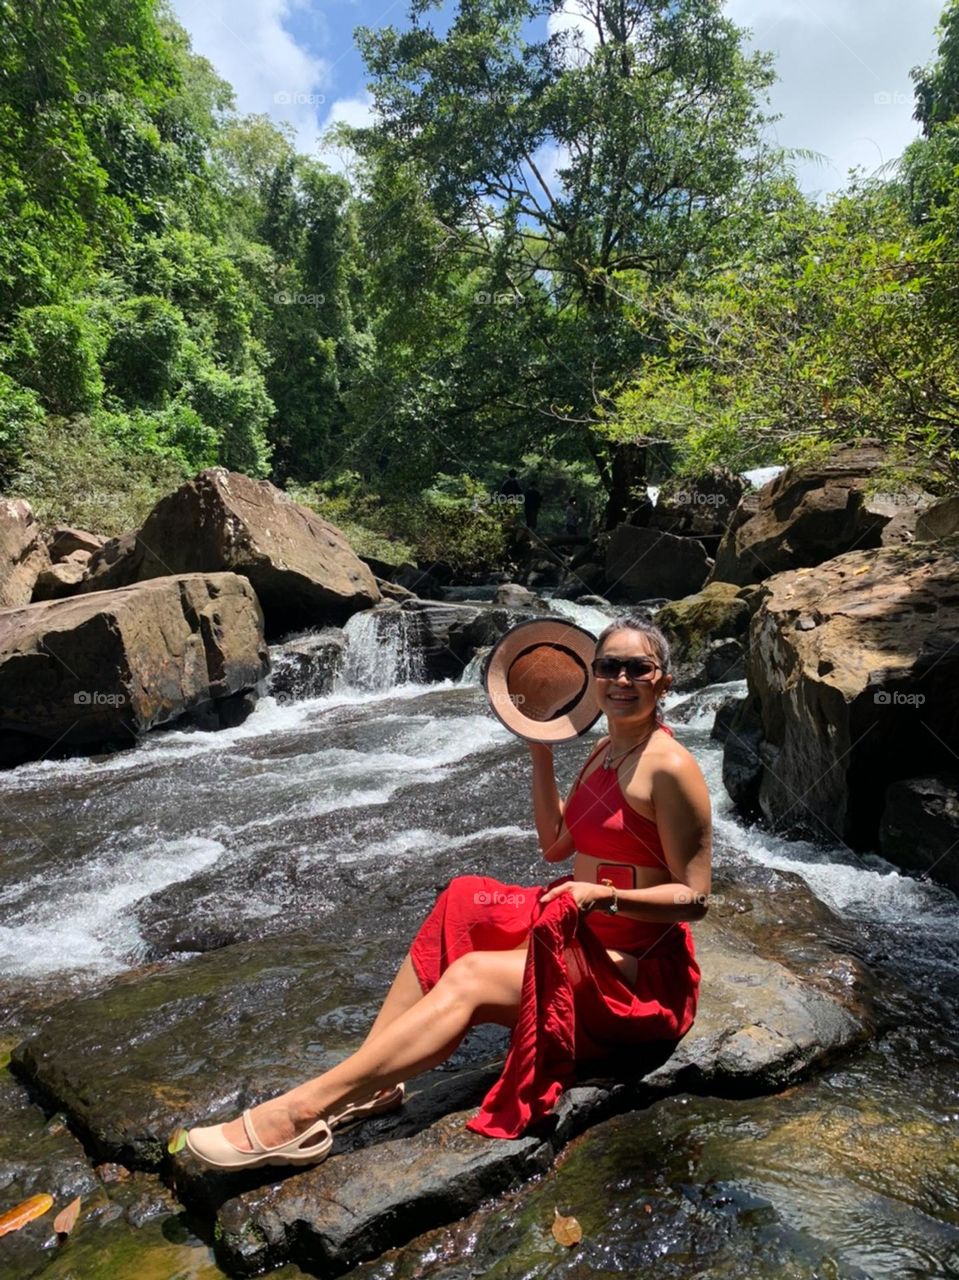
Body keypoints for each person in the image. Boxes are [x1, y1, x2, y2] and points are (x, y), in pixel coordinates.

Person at [185, 616, 711, 1169]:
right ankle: (374, 1080)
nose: (622, 680)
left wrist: (604, 898)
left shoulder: (670, 767)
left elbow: (697, 899)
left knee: (473, 974)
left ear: (664, 681)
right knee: (465, 897)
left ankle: (296, 1113)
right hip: (582, 937)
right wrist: (540, 750)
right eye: (609, 666)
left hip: (635, 976)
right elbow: (556, 844)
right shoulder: (604, 750)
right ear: (593, 675)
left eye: (638, 668)